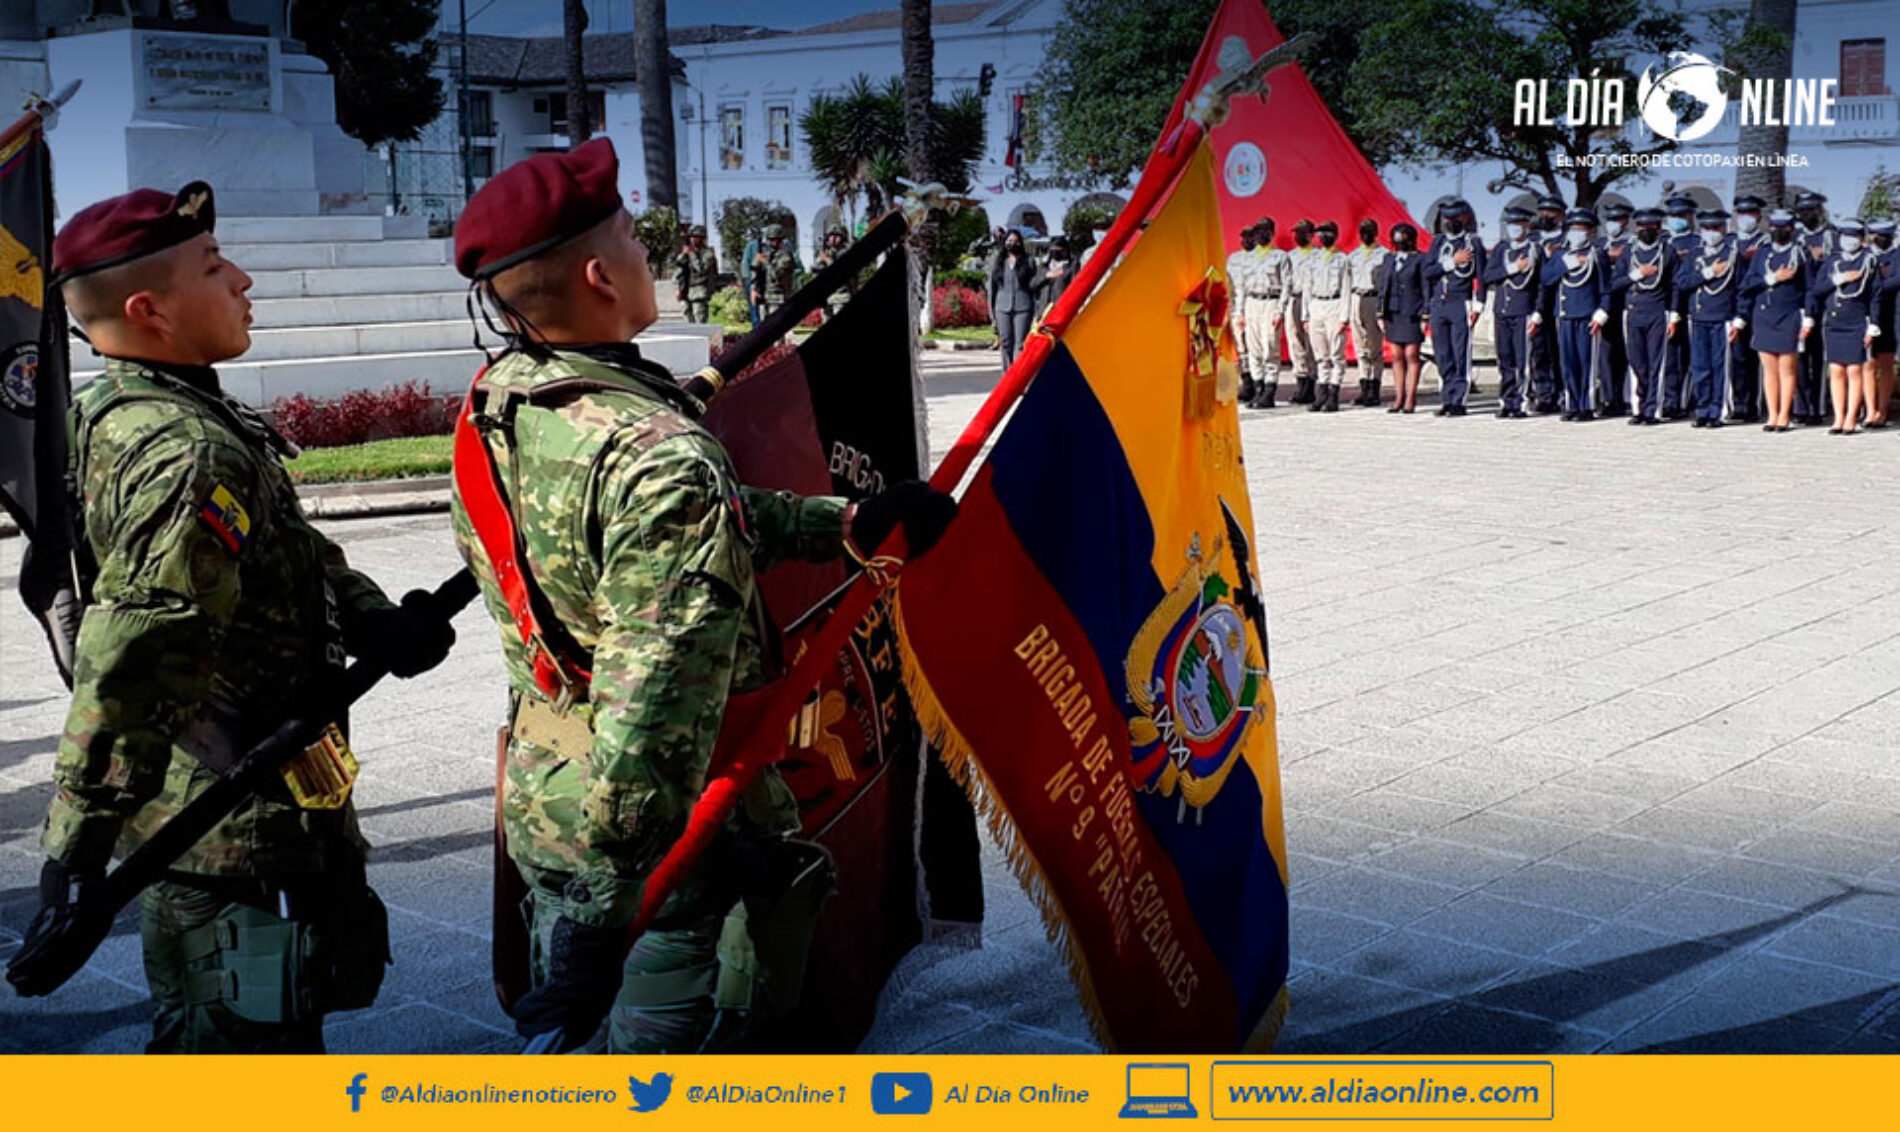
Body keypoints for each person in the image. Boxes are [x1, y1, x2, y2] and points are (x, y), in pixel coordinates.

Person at [447, 138, 957, 1054]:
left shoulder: (507, 396)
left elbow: (664, 519)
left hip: (549, 791)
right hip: (652, 850)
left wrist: (845, 523)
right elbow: (654, 716)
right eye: (640, 241)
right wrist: (612, 916)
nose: (658, 257)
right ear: (602, 276)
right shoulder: (657, 455)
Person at [22, 181, 453, 1053]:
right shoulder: (187, 451)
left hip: (253, 803)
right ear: (150, 310)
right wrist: (74, 856)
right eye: (216, 268)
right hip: (233, 823)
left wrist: (370, 619)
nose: (245, 281)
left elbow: (283, 546)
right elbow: (134, 656)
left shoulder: (150, 406)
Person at [1807, 217, 1885, 435]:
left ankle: (1851, 417)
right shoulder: (1832, 262)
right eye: (1845, 236)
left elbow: (1875, 296)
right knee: (1836, 370)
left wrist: (1873, 325)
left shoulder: (1869, 261)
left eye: (1853, 236)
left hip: (1857, 321)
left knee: (1854, 370)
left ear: (1861, 239)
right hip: (1833, 321)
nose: (1849, 241)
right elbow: (1817, 290)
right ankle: (1838, 418)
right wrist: (1838, 279)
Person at [1739, 208, 1811, 433]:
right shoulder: (1762, 254)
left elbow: (1809, 288)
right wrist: (1773, 278)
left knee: (1787, 369)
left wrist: (1808, 317)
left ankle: (1784, 415)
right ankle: (1771, 415)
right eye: (1774, 227)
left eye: (1783, 228)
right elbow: (1747, 285)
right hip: (1764, 315)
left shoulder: (1800, 253)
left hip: (1789, 315)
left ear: (1791, 229)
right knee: (1769, 369)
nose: (1778, 231)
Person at [1673, 208, 1745, 429]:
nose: (1711, 233)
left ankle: (1718, 411)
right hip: (1698, 316)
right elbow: (1681, 282)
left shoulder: (1733, 255)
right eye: (1707, 228)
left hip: (1722, 317)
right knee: (1700, 366)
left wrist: (1739, 318)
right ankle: (1702, 409)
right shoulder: (1695, 254)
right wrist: (1707, 273)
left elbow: (1741, 289)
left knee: (1720, 366)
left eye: (1716, 228)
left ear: (1724, 229)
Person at [1539, 208, 1610, 420]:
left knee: (1586, 364)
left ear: (1589, 232)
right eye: (1572, 228)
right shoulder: (1561, 254)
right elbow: (1546, 278)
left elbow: (1606, 288)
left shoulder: (1597, 255)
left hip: (1587, 315)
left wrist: (1602, 312)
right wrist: (1569, 263)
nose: (1576, 232)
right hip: (1564, 314)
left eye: (1580, 229)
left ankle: (1586, 406)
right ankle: (1572, 404)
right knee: (1568, 363)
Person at [1613, 207, 1679, 426]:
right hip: (1633, 310)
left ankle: (1652, 409)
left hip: (1657, 310)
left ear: (1659, 228)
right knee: (1637, 363)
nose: (1646, 230)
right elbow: (1614, 284)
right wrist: (1637, 274)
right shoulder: (1629, 253)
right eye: (1642, 226)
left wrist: (1674, 314)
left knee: (1656, 363)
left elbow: (1674, 286)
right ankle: (1638, 408)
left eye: (1651, 226)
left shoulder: (1667, 252)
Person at [1422, 199, 1485, 417]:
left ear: (1464, 219)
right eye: (1447, 219)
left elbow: (1481, 276)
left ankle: (1459, 399)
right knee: (1442, 353)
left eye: (1454, 219)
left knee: (1460, 352)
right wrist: (1452, 262)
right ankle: (1446, 397)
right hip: (1439, 302)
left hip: (1461, 301)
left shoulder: (1472, 243)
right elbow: (1428, 271)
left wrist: (1479, 304)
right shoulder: (1438, 243)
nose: (1449, 223)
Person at [1483, 205, 1542, 419]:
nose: (1514, 229)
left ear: (1526, 226)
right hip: (1502, 310)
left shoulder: (1535, 250)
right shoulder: (1502, 250)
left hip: (1523, 310)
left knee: (1522, 360)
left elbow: (1541, 284)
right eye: (1511, 225)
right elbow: (1488, 276)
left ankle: (1521, 402)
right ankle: (1506, 401)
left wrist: (1538, 311)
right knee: (1505, 358)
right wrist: (1514, 268)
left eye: (1518, 225)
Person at [1792, 191, 1836, 425]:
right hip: (1798, 305)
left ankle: (1818, 408)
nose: (1808, 215)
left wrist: (1821, 258)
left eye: (1812, 210)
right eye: (1804, 211)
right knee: (1799, 358)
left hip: (1824, 305)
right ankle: (1800, 407)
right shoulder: (1795, 236)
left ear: (1820, 212)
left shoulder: (1831, 236)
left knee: (1818, 359)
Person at [1300, 221, 1352, 413]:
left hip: (1335, 305)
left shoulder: (1342, 260)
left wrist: (1344, 317)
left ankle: (1333, 395)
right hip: (1316, 306)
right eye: (1320, 234)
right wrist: (1305, 316)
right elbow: (1306, 289)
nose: (1323, 237)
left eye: (1327, 233)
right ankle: (1320, 395)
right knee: (1320, 355)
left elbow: (1346, 289)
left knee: (1336, 354)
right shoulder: (1312, 260)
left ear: (1335, 235)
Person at [1726, 195, 1769, 421]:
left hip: (1756, 308)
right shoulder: (1729, 241)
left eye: (1751, 214)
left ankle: (1754, 405)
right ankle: (1739, 404)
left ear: (1759, 217)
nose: (1746, 218)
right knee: (1736, 359)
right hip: (1730, 307)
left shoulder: (1765, 244)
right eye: (1742, 214)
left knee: (1754, 359)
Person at [1379, 222, 1429, 414]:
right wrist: (1380, 313)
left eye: (1404, 237)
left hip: (1412, 312)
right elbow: (1384, 286)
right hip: (1393, 312)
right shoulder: (1388, 259)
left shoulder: (1420, 259)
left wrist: (1425, 314)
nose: (1400, 241)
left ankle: (1410, 397)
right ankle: (1398, 397)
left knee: (1411, 355)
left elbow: (1426, 289)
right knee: (1397, 356)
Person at [1660, 194, 1700, 419]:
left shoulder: (1696, 242)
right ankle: (1671, 400)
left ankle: (1689, 399)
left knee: (1692, 356)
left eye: (1682, 215)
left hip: (1691, 306)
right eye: (1674, 215)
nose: (1678, 219)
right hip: (1666, 306)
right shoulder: (1663, 242)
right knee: (1671, 357)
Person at [1245, 218, 1292, 410]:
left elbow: (1287, 285)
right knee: (1253, 348)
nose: (1261, 234)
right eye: (1258, 231)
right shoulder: (1248, 257)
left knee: (1270, 347)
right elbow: (1241, 286)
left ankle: (1269, 392)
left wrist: (1280, 310)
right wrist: (1240, 312)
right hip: (1251, 303)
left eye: (1265, 231)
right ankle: (1258, 389)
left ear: (1272, 233)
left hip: (1270, 302)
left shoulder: (1280, 257)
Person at [1528, 193, 1567, 411]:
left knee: (1559, 351)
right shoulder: (1532, 240)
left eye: (1550, 212)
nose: (1544, 215)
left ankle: (1562, 392)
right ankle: (1543, 394)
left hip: (1558, 303)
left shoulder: (1566, 240)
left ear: (1560, 215)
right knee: (1538, 351)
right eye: (1542, 211)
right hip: (1533, 304)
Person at [1595, 201, 1635, 416]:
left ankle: (1627, 398)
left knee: (1627, 352)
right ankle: (1609, 398)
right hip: (1604, 304)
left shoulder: (1633, 243)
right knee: (1606, 353)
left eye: (1617, 220)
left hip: (1626, 303)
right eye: (1610, 220)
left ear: (1626, 221)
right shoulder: (1599, 243)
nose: (1613, 224)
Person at [1347, 218, 1389, 407]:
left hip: (1374, 298)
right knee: (1360, 346)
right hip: (1356, 298)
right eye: (1363, 231)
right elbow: (1347, 283)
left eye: (1369, 231)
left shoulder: (1384, 255)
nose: (1366, 234)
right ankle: (1364, 386)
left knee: (1375, 348)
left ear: (1376, 232)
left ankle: (1375, 388)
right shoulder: (1353, 256)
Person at [988, 228, 1039, 368]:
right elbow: (992, 289)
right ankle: (1007, 375)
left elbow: (1034, 287)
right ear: (1005, 242)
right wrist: (992, 314)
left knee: (1020, 343)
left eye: (1016, 241)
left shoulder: (1029, 260)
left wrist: (1037, 312)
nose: (1012, 244)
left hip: (1023, 307)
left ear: (1021, 243)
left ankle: (1018, 374)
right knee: (1005, 342)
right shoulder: (998, 261)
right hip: (1002, 307)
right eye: (1009, 241)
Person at [1285, 219, 1320, 403]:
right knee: (1295, 342)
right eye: (1296, 233)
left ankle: (1312, 384)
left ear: (1311, 235)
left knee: (1310, 343)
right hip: (1294, 299)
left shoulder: (1318, 255)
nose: (1298, 236)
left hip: (1311, 301)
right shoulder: (1290, 256)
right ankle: (1301, 382)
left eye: (1302, 233)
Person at [1868, 218, 1898, 427]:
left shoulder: (1897, 255)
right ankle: (1870, 410)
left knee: (1886, 364)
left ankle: (1883, 409)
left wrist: (1876, 286)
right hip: (1867, 315)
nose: (1880, 239)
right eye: (1877, 235)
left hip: (1891, 314)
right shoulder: (1866, 255)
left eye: (1885, 236)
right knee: (1868, 364)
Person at [1226, 224, 1259, 405]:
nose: (1247, 241)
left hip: (1252, 307)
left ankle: (1258, 383)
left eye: (1250, 237)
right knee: (1240, 348)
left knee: (1255, 347)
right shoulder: (1234, 259)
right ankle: (1246, 383)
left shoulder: (1259, 259)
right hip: (1234, 309)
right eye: (1244, 237)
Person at [750, 223, 801, 319]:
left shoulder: (786, 256)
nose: (771, 242)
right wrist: (754, 290)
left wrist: (765, 262)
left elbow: (777, 275)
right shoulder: (766, 254)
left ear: (780, 240)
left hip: (778, 297)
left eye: (774, 240)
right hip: (764, 296)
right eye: (770, 239)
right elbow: (755, 273)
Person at [674, 225, 719, 324]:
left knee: (699, 320)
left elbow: (700, 270)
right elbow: (679, 268)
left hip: (699, 291)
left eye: (695, 236)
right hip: (685, 291)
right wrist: (677, 287)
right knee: (687, 321)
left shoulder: (708, 254)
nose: (692, 239)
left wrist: (691, 254)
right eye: (691, 236)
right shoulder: (688, 251)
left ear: (702, 238)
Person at [811, 226, 854, 320]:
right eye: (831, 236)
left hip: (841, 295)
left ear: (843, 238)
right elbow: (815, 270)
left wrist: (828, 260)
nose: (833, 239)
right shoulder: (827, 252)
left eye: (837, 236)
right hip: (827, 297)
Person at [1039, 234, 1076, 311]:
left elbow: (1074, 286)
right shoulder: (1044, 265)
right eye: (1052, 247)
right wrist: (1046, 275)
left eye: (1058, 247)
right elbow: (1033, 284)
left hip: (1062, 307)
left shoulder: (1072, 265)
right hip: (1044, 307)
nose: (1055, 250)